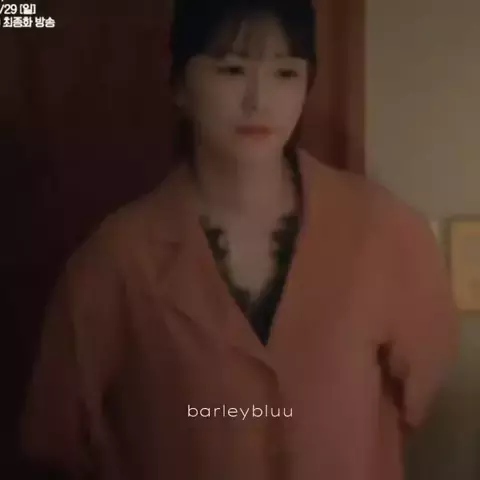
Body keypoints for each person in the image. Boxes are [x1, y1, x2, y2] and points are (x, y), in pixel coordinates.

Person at [19, 0, 458, 479]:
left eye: (285, 73)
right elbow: (58, 437)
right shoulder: (117, 259)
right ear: (181, 86)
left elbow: (422, 390)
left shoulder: (383, 229)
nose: (258, 100)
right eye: (231, 70)